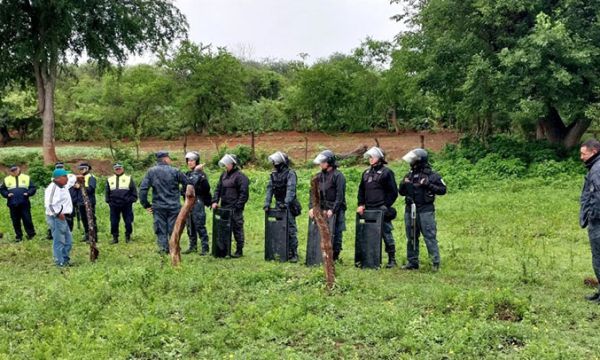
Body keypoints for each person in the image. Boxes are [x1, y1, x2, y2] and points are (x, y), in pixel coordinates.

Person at [399, 148, 447, 271]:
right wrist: (404, 184)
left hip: (425, 210)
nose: (411, 162)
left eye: (413, 160)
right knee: (411, 236)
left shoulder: (432, 175)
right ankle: (412, 262)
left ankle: (434, 262)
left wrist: (428, 185)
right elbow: (401, 192)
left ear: (419, 161)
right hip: (410, 209)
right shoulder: (409, 175)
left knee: (429, 236)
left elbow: (443, 190)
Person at [357, 147, 399, 268]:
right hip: (368, 209)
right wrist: (361, 204)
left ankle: (392, 259)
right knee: (368, 234)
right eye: (369, 157)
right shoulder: (365, 173)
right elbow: (361, 190)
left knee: (386, 233)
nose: (370, 159)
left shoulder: (387, 173)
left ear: (379, 159)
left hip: (381, 209)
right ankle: (369, 259)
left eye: (373, 157)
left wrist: (385, 206)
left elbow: (393, 192)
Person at [139, 151, 188, 254]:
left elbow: (143, 189)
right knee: (174, 228)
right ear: (165, 159)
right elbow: (188, 183)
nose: (170, 160)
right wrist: (184, 195)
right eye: (169, 158)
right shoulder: (175, 171)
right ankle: (174, 248)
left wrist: (146, 205)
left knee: (160, 229)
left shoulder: (151, 172)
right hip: (174, 205)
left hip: (158, 206)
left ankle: (163, 249)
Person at [308, 150, 347, 261]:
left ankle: (335, 257)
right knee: (321, 231)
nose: (320, 164)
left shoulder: (338, 176)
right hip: (322, 208)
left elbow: (340, 196)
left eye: (323, 162)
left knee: (336, 233)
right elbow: (312, 193)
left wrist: (333, 210)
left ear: (329, 162)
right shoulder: (318, 176)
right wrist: (312, 207)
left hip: (336, 209)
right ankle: (319, 256)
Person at [264, 151, 300, 262]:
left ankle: (293, 253)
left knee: (290, 229)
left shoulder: (290, 173)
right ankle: (281, 250)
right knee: (278, 228)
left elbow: (291, 189)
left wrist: (286, 203)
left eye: (276, 162)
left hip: (288, 206)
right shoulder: (273, 175)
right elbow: (270, 189)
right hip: (278, 204)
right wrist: (267, 203)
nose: (274, 164)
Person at [212, 154, 249, 258]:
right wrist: (215, 201)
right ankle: (224, 249)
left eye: (227, 164)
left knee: (237, 229)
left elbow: (244, 194)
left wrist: (238, 206)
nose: (225, 166)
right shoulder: (223, 175)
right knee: (223, 229)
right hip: (224, 207)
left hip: (235, 208)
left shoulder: (241, 177)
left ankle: (239, 250)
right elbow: (218, 189)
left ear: (233, 164)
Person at [579, 139, 600, 303]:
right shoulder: (595, 167)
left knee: (598, 257)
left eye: (583, 154)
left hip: (598, 222)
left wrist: (592, 215)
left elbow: (597, 197)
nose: (581, 157)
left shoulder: (597, 170)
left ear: (594, 152)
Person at [45, 168, 78, 267]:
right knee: (59, 240)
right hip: (56, 218)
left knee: (68, 240)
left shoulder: (63, 186)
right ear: (58, 178)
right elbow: (49, 204)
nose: (67, 178)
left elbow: (72, 178)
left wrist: (77, 176)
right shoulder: (53, 188)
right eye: (65, 176)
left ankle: (65, 259)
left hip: (63, 217)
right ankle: (60, 262)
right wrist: (58, 214)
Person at [183, 151, 212, 255]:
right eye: (188, 161)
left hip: (198, 201)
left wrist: (196, 172)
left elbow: (205, 188)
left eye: (192, 160)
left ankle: (205, 248)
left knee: (199, 224)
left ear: (197, 162)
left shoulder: (201, 175)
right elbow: (185, 187)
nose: (190, 163)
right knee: (189, 224)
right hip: (187, 201)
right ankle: (192, 246)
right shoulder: (187, 174)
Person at [0, 165, 36, 241]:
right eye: (12, 171)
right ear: (10, 171)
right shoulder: (6, 179)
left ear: (18, 169)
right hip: (12, 203)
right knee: (15, 221)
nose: (14, 172)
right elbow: (2, 189)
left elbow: (33, 187)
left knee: (27, 219)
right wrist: (7, 194)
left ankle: (31, 234)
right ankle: (19, 236)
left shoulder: (26, 177)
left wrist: (28, 193)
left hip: (24, 202)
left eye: (15, 170)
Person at [105, 163, 138, 244]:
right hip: (114, 205)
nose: (118, 170)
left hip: (126, 205)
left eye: (119, 168)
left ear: (122, 169)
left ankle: (128, 237)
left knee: (128, 221)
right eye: (116, 169)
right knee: (114, 222)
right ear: (114, 170)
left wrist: (131, 200)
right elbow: (107, 192)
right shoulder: (110, 179)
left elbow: (134, 191)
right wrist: (109, 201)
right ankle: (115, 238)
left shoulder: (128, 178)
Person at [75, 162, 97, 242]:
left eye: (83, 169)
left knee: (91, 219)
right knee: (84, 219)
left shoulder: (91, 177)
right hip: (80, 201)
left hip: (89, 202)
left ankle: (94, 237)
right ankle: (87, 235)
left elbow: (91, 189)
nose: (81, 170)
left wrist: (80, 186)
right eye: (80, 169)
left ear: (87, 169)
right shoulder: (79, 177)